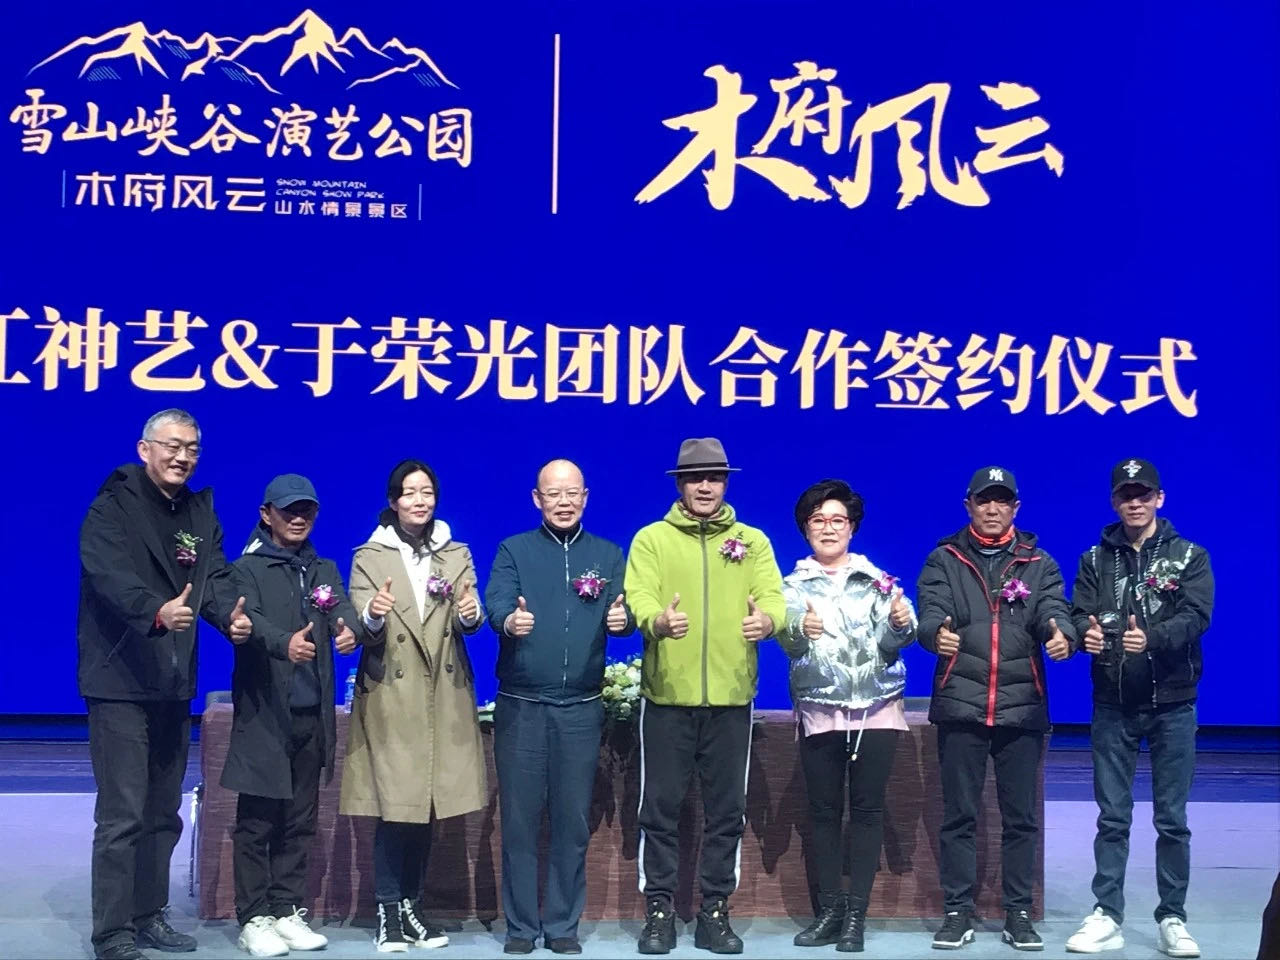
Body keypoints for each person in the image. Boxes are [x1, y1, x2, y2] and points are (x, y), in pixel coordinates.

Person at [78, 408, 251, 960]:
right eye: (173, 446)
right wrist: (155, 611)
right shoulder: (111, 507)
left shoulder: (199, 512)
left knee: (162, 810)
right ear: (145, 449)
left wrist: (230, 619)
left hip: (173, 680)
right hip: (120, 680)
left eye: (192, 449)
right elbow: (109, 577)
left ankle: (148, 913)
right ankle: (113, 932)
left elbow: (214, 580)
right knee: (123, 813)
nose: (182, 457)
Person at [625, 437, 786, 956]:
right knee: (659, 811)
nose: (705, 486)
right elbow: (639, 595)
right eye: (695, 478)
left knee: (726, 813)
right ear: (680, 484)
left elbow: (774, 597)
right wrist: (656, 621)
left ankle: (715, 910)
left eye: (714, 477)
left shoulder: (752, 541)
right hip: (666, 699)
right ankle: (659, 911)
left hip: (732, 699)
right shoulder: (652, 539)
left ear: (726, 483)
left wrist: (768, 621)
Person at [915, 466, 1075, 951]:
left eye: (1001, 500)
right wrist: (934, 635)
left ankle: (1018, 912)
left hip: (1021, 707)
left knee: (1020, 819)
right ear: (968, 506)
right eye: (983, 500)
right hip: (961, 704)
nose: (992, 508)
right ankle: (957, 911)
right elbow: (930, 611)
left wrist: (1061, 633)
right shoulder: (944, 559)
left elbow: (1054, 608)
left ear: (1015, 508)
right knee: (959, 817)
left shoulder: (1039, 562)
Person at [484, 459, 634, 955]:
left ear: (586, 497)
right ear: (537, 499)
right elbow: (496, 604)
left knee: (572, 824)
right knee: (520, 823)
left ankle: (563, 926)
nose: (564, 502)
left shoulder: (607, 554)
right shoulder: (514, 550)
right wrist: (510, 623)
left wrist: (625, 620)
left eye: (572, 493)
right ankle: (521, 928)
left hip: (581, 710)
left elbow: (625, 611)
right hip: (522, 707)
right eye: (554, 494)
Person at [1065, 459, 1213, 959]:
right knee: (1113, 817)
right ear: (1114, 501)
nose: (1135, 502)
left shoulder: (1189, 555)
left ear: (1159, 498)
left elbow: (1197, 616)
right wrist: (1083, 633)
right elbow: (1079, 611)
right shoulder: (1093, 558)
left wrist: (1151, 638)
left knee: (1172, 819)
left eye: (1143, 493)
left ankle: (1173, 916)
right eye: (1126, 494)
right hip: (1113, 703)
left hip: (1174, 704)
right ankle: (1107, 914)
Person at [338, 459, 487, 953]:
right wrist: (372, 614)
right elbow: (361, 625)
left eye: (427, 492)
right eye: (409, 492)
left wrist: (471, 614)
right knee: (396, 808)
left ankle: (411, 905)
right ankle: (387, 909)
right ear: (393, 501)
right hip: (392, 694)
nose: (419, 500)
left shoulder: (455, 553)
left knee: (427, 806)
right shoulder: (370, 556)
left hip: (441, 694)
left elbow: (468, 614)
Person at [221, 474, 364, 957]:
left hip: (311, 715)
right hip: (264, 715)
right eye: (288, 510)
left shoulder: (322, 568)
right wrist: (283, 643)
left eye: (306, 510)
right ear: (267, 515)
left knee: (300, 821)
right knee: (257, 823)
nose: (298, 518)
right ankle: (253, 917)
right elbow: (248, 621)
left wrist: (349, 629)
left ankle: (286, 910)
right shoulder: (246, 568)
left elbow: (343, 607)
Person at [779, 479, 916, 953]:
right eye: (818, 520)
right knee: (822, 813)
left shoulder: (877, 581)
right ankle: (829, 912)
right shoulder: (790, 587)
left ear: (852, 528)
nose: (829, 528)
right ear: (805, 529)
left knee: (867, 811)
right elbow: (788, 640)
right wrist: (800, 627)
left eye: (838, 520)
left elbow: (896, 639)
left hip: (876, 708)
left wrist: (899, 624)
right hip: (821, 708)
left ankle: (857, 915)